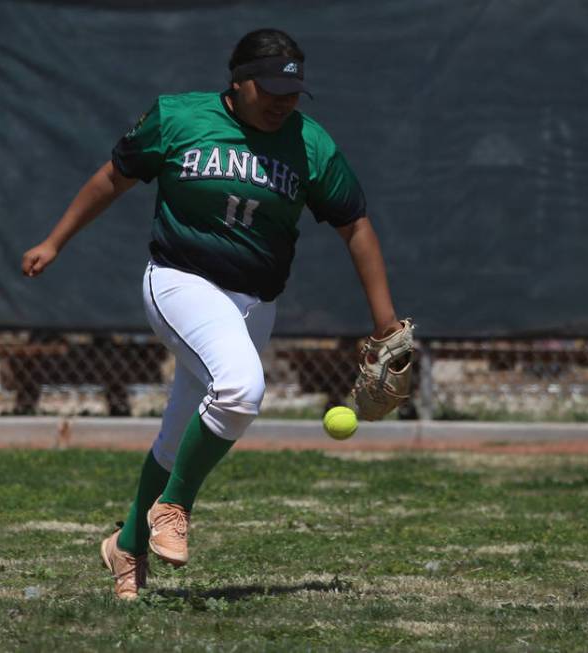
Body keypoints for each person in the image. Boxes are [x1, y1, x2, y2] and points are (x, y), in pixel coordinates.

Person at [21, 28, 404, 599]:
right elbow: (112, 177)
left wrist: (385, 323)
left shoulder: (310, 144)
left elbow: (356, 224)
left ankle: (125, 546)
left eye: (293, 92)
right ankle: (173, 506)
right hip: (179, 281)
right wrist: (56, 241)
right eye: (270, 88)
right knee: (242, 391)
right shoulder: (177, 118)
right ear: (238, 80)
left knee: (180, 435)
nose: (282, 101)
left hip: (254, 303)